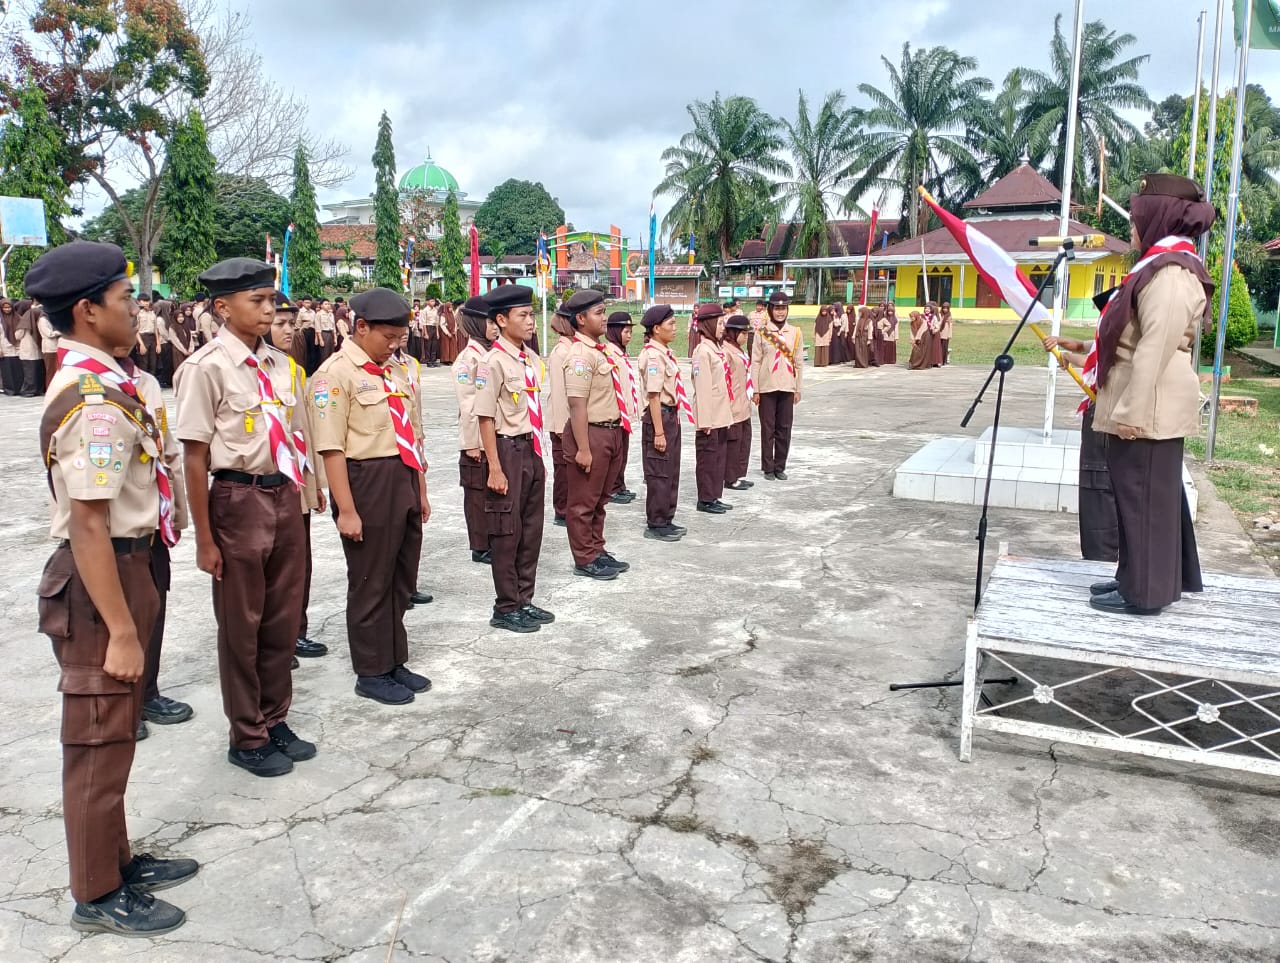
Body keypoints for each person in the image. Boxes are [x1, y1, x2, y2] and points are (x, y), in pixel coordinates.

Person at [30, 240, 197, 936]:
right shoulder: (93, 400)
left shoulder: (114, 382)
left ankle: (117, 856)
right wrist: (124, 629)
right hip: (103, 578)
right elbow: (90, 525)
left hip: (129, 566)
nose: (139, 309)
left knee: (118, 729)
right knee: (98, 737)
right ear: (88, 309)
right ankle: (96, 891)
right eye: (127, 299)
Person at [175, 258, 315, 777]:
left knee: (282, 617)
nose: (269, 309)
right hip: (237, 498)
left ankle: (275, 717)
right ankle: (247, 733)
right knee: (242, 622)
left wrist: (305, 491)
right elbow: (193, 456)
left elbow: (296, 435)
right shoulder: (205, 368)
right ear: (222, 307)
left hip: (283, 496)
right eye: (256, 301)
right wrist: (203, 538)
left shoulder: (280, 365)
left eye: (270, 300)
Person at [1089, 173, 1214, 617]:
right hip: (1144, 401)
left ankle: (1145, 593)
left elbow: (1155, 345)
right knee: (1136, 498)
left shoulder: (1173, 273)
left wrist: (1131, 412)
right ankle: (1133, 578)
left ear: (1158, 217)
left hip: (1151, 405)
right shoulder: (1158, 267)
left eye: (1137, 217)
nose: (1131, 227)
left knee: (1144, 501)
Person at [311, 287, 433, 704]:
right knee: (370, 579)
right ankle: (371, 669)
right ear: (360, 327)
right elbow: (331, 448)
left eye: (401, 339)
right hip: (366, 481)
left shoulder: (396, 371)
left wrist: (421, 492)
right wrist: (346, 509)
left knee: (401, 577)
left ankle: (394, 658)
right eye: (389, 338)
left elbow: (413, 435)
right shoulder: (334, 374)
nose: (396, 346)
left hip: (403, 476)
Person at [107, 343, 193, 741]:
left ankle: (148, 692)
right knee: (116, 617)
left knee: (153, 605)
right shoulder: (89, 384)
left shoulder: (144, 382)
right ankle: (120, 703)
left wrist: (177, 510)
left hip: (151, 520)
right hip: (115, 527)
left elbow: (166, 448)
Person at [475, 285, 554, 633]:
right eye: (522, 315)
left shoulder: (532, 360)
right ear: (502, 320)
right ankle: (506, 606)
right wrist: (494, 466)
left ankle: (525, 599)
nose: (530, 321)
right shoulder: (491, 362)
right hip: (506, 449)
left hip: (532, 447)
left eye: (531, 314)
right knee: (507, 531)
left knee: (531, 529)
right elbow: (485, 417)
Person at [263, 293, 330, 663]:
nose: (289, 331)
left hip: (296, 482)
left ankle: (295, 632)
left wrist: (315, 483)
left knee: (298, 563)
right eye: (281, 324)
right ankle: (273, 641)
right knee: (269, 569)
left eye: (292, 324)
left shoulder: (294, 370)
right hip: (265, 484)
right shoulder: (251, 371)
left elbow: (306, 431)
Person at [562, 290, 629, 580]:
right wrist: (583, 448)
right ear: (581, 318)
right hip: (590, 433)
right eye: (599, 313)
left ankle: (597, 549)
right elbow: (577, 406)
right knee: (582, 503)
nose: (604, 318)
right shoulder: (579, 356)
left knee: (600, 499)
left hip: (610, 432)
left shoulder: (600, 351)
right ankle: (585, 558)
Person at [1041, 333, 1119, 564]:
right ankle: (1100, 557)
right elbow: (1088, 346)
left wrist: (1066, 355)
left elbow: (1099, 363)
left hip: (1108, 414)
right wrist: (1062, 342)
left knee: (1099, 486)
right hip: (1102, 411)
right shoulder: (1110, 329)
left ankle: (1102, 560)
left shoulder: (1123, 333)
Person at [637, 305, 691, 541]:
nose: (675, 329)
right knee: (659, 471)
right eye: (671, 325)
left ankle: (667, 518)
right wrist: (659, 432)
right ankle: (656, 523)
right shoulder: (652, 356)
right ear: (657, 329)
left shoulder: (665, 353)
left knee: (671, 470)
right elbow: (654, 396)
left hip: (671, 416)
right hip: (660, 416)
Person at [454, 295, 497, 564]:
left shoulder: (490, 354)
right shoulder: (467, 359)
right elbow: (468, 404)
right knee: (477, 494)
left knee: (490, 493)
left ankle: (491, 539)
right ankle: (480, 545)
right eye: (489, 322)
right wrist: (472, 443)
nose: (494, 327)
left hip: (491, 436)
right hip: (476, 441)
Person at [752, 291, 803, 480]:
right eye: (777, 308)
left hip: (787, 386)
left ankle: (780, 465)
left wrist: (798, 388)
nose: (780, 312)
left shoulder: (795, 332)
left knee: (784, 428)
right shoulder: (762, 333)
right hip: (767, 386)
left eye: (783, 308)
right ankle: (768, 467)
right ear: (770, 310)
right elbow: (755, 361)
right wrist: (755, 389)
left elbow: (798, 362)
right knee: (768, 429)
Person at [689, 302, 734, 513]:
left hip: (721, 414)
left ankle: (715, 495)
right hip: (710, 416)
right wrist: (705, 421)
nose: (723, 327)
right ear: (708, 324)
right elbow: (703, 387)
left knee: (718, 458)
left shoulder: (716, 349)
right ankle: (705, 498)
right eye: (719, 322)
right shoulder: (702, 352)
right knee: (708, 458)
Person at [604, 311, 640, 505]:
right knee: (616, 454)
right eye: (625, 331)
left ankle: (620, 484)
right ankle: (612, 488)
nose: (629, 335)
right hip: (615, 413)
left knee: (623, 452)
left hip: (624, 413)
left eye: (630, 331)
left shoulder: (621, 353)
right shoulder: (609, 354)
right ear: (616, 331)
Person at [545, 308, 575, 528]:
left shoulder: (573, 349)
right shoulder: (560, 353)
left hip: (572, 421)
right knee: (563, 470)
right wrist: (561, 427)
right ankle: (562, 510)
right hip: (562, 422)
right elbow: (558, 392)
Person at [723, 313, 754, 492]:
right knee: (733, 444)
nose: (745, 336)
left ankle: (739, 474)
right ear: (733, 333)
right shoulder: (726, 351)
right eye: (743, 333)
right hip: (733, 405)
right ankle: (730, 477)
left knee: (744, 441)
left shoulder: (739, 350)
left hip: (743, 404)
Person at [17, 299, 44, 394]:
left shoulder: (25, 322)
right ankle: (38, 389)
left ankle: (29, 390)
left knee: (29, 372)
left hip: (27, 351)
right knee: (38, 371)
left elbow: (18, 335)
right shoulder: (40, 319)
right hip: (39, 350)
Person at [39, 303, 61, 389]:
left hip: (55, 347)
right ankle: (50, 388)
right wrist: (60, 332)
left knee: (56, 369)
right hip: (49, 347)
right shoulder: (43, 320)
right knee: (50, 370)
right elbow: (49, 333)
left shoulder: (50, 319)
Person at [0, 297, 20, 393]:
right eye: (5, 308)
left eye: (9, 307)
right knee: (7, 369)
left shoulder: (17, 317)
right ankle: (9, 389)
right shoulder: (0, 320)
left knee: (17, 369)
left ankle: (19, 388)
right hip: (5, 347)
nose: (7, 309)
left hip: (17, 347)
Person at [315, 298, 338, 366]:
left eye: (328, 304)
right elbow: (318, 327)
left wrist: (335, 338)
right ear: (321, 305)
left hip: (331, 333)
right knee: (324, 354)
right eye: (325, 304)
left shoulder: (331, 314)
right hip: (324, 334)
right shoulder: (319, 314)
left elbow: (333, 326)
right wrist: (321, 339)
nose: (328, 305)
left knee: (331, 353)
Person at [422, 296, 442, 367]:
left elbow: (436, 322)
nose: (432, 303)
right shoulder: (425, 310)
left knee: (434, 345)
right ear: (427, 302)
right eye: (431, 301)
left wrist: (437, 332)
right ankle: (428, 361)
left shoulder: (435, 310)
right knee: (428, 345)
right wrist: (425, 333)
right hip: (428, 327)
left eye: (433, 301)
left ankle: (433, 360)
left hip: (434, 327)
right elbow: (423, 322)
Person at [938, 301, 954, 365]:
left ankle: (944, 361)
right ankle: (939, 360)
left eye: (946, 308)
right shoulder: (940, 314)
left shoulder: (949, 316)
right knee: (939, 347)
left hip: (946, 334)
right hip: (939, 333)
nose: (945, 309)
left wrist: (949, 334)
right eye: (944, 308)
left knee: (944, 348)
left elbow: (950, 326)